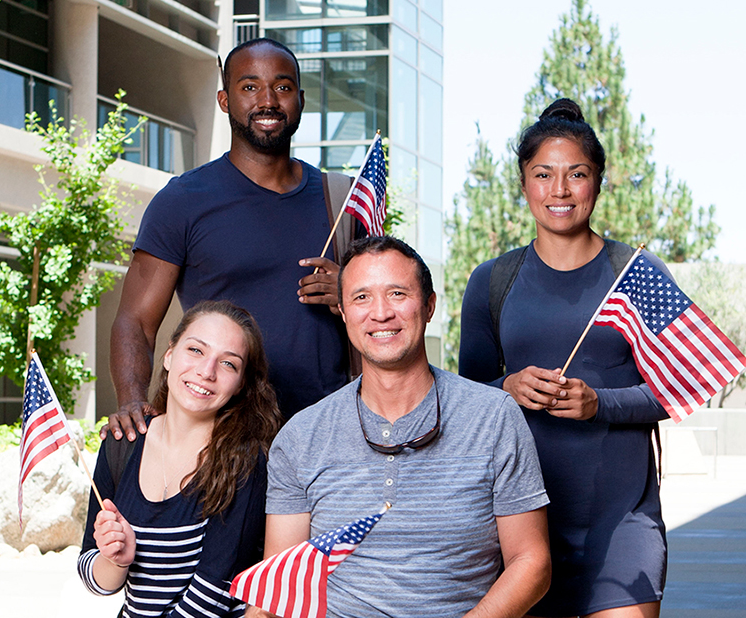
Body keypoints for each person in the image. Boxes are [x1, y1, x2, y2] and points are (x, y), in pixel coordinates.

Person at [260, 236, 551, 618]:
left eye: (397, 293)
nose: (380, 313)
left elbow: (531, 562)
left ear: (428, 306)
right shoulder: (301, 436)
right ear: (344, 312)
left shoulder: (493, 417)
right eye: (361, 298)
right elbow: (282, 586)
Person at [457, 98, 670, 618]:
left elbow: (674, 388)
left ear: (597, 181)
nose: (560, 190)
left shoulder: (637, 273)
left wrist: (600, 403)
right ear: (523, 183)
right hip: (517, 526)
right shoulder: (492, 280)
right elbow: (466, 395)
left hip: (621, 522)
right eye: (543, 174)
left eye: (576, 174)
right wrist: (506, 386)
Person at [105, 37, 361, 442]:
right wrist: (133, 400)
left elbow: (389, 310)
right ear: (225, 100)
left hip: (330, 436)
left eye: (282, 86)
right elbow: (134, 321)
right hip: (223, 438)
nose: (268, 100)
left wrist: (351, 293)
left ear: (300, 99)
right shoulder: (182, 201)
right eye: (249, 87)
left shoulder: (344, 199)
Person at [79, 300, 281, 618]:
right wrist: (115, 560)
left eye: (228, 363)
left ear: (242, 384)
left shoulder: (244, 461)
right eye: (196, 350)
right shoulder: (122, 444)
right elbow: (93, 578)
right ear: (169, 355)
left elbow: (215, 590)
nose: (206, 371)